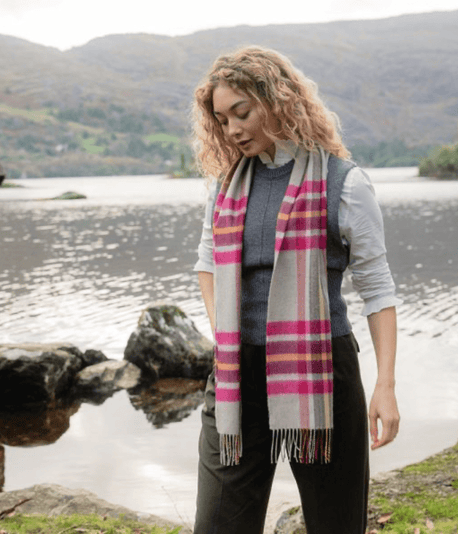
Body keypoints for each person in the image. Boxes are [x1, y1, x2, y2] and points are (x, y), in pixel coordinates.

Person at [191, 45, 401, 534]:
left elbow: (377, 289)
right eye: (222, 119)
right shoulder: (225, 187)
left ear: (278, 100)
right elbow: (207, 264)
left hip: (320, 372)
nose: (232, 129)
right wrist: (224, 334)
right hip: (236, 377)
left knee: (335, 524)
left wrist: (385, 386)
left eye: (242, 112)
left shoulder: (344, 184)